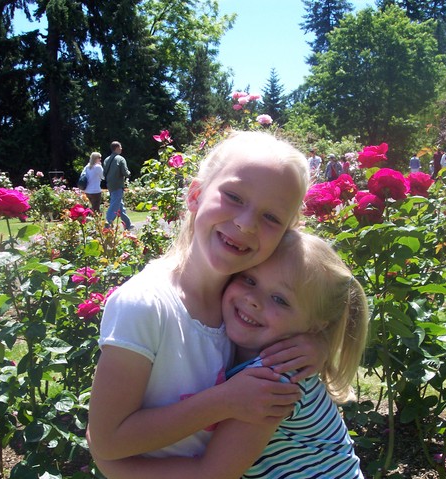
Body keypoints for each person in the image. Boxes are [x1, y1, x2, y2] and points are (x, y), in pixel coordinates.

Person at [87, 131, 324, 465]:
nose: (246, 224)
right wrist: (224, 401)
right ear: (196, 195)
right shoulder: (145, 305)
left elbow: (345, 300)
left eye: (271, 217)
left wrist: (321, 346)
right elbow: (108, 443)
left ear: (286, 233)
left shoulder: (249, 305)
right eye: (234, 196)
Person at [94, 229, 369, 478]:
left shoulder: (276, 376)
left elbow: (213, 475)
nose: (252, 299)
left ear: (314, 326)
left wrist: (116, 468)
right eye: (249, 279)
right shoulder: (234, 334)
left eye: (280, 299)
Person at [103, 141, 132, 229]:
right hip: (118, 184)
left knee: (119, 204)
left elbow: (104, 173)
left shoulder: (106, 159)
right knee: (115, 204)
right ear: (116, 148)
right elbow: (125, 172)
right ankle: (108, 222)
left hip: (110, 185)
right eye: (120, 147)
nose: (121, 149)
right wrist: (129, 173)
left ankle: (128, 224)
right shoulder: (120, 159)